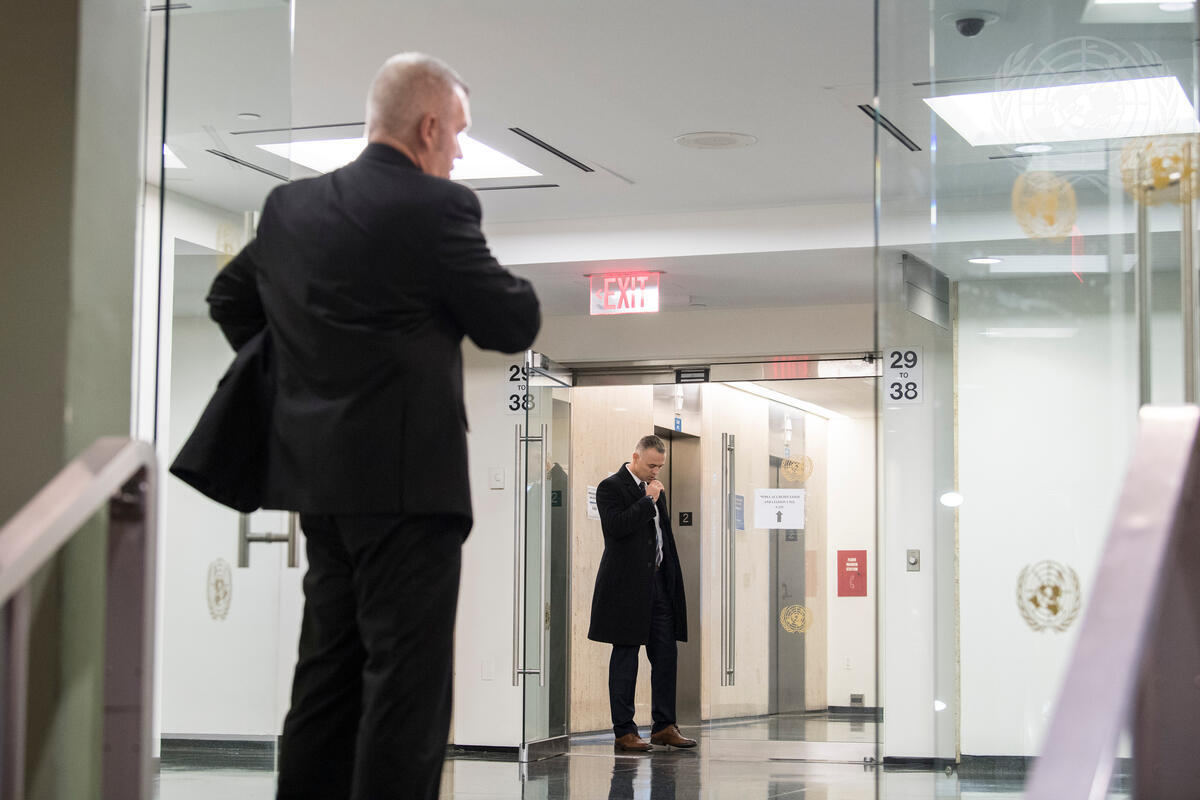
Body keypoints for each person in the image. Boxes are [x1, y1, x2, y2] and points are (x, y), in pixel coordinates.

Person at [205, 53, 541, 800]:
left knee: (326, 677)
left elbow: (230, 298)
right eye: (459, 133)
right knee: (406, 689)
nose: (460, 152)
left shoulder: (291, 207)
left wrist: (306, 379)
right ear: (428, 127)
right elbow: (512, 321)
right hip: (410, 491)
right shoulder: (436, 208)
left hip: (319, 486)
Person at [588, 435, 697, 751]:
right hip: (626, 588)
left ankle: (664, 726)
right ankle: (625, 731)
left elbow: (662, 535)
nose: (656, 472)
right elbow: (616, 528)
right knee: (626, 657)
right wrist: (647, 501)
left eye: (660, 466)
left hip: (659, 585)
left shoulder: (656, 490)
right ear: (635, 457)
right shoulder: (611, 487)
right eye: (651, 465)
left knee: (666, 655)